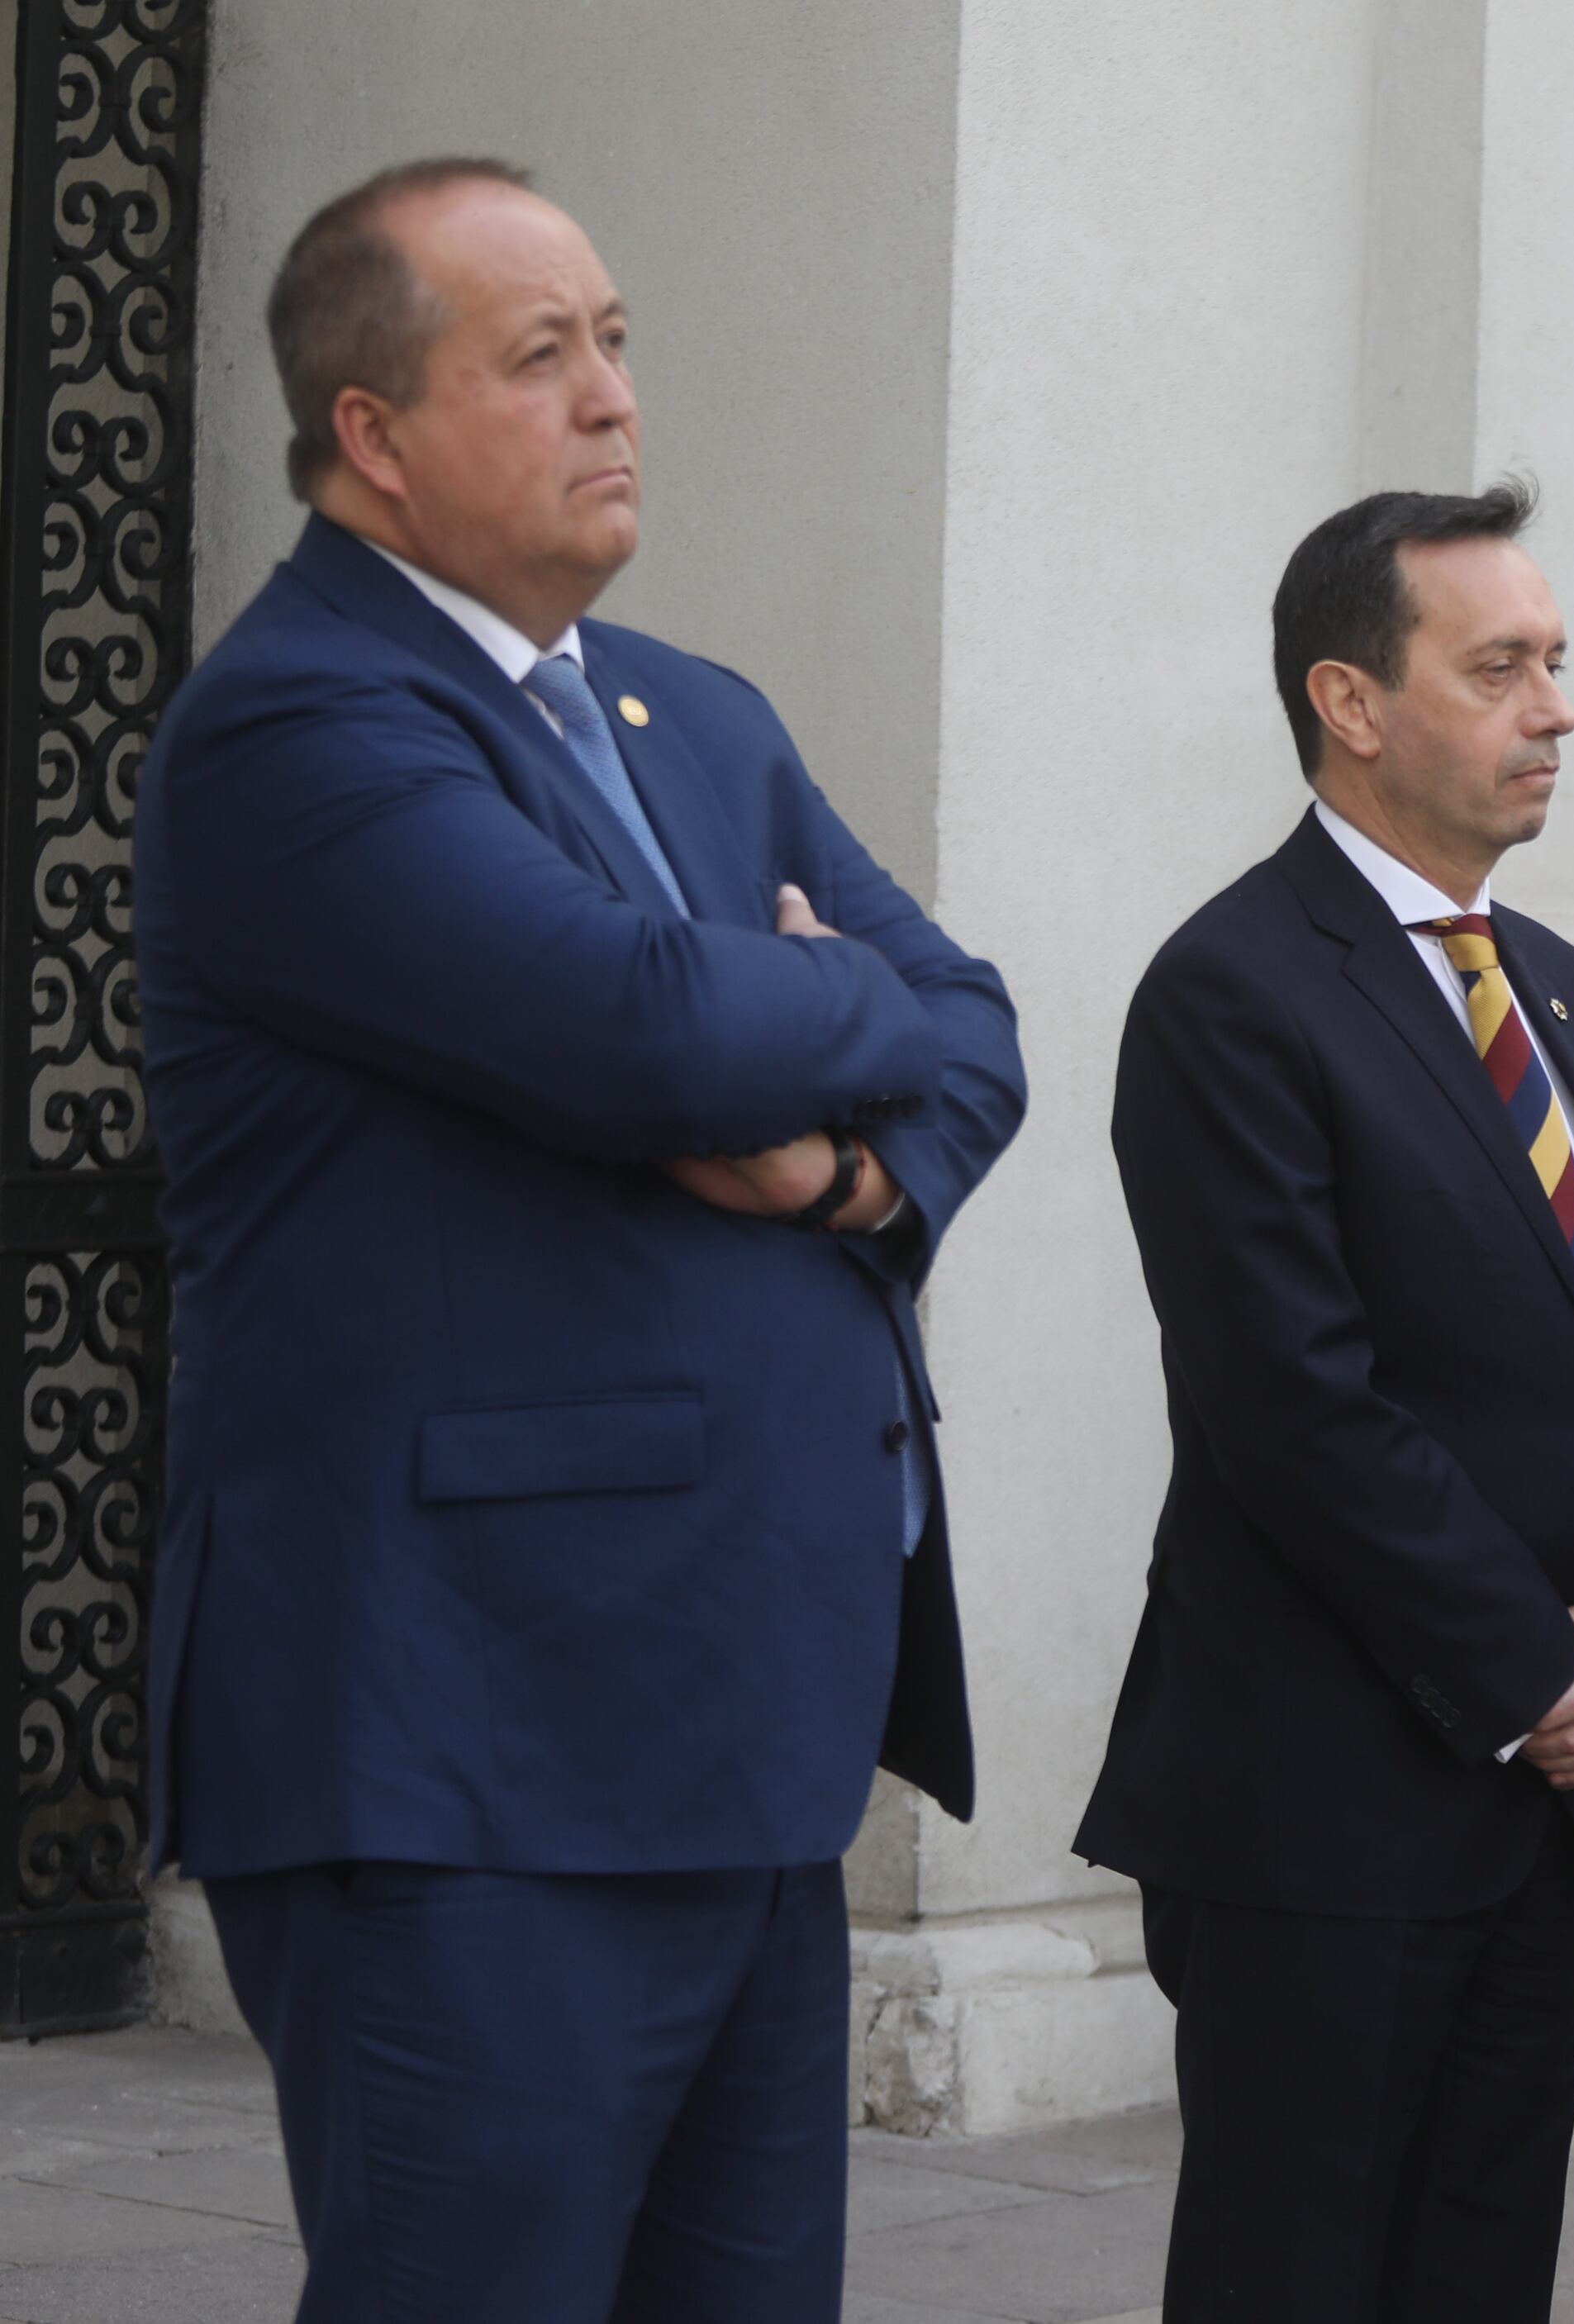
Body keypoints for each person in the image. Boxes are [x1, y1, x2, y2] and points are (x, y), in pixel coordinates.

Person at [138, 159, 1024, 2319]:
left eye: (614, 340)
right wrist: (804, 1003)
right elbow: (638, 1028)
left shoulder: (690, 712)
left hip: (739, 1711)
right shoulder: (296, 726)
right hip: (473, 1740)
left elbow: (977, 1024)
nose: (613, 396)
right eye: (540, 357)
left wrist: (824, 1152)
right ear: (373, 431)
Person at [1080, 482, 1574, 2320]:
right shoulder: (1235, 992)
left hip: (1548, 1806)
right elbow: (1297, 1409)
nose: (1558, 709)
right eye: (1502, 665)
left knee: (1478, 2271)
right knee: (1305, 2274)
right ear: (1352, 702)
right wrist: (1541, 1669)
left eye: (1559, 663)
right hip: (1329, 1797)